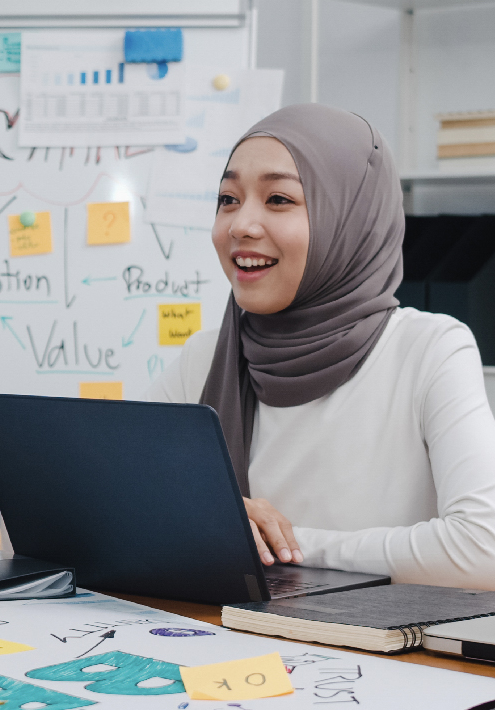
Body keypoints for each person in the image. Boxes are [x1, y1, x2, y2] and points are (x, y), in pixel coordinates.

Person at [146, 103, 495, 590]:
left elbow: (483, 550)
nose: (241, 225)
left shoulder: (430, 348)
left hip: (377, 657)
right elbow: (85, 515)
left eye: (279, 200)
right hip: (231, 653)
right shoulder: (206, 358)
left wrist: (276, 543)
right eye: (228, 198)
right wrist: (199, 521)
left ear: (351, 218)